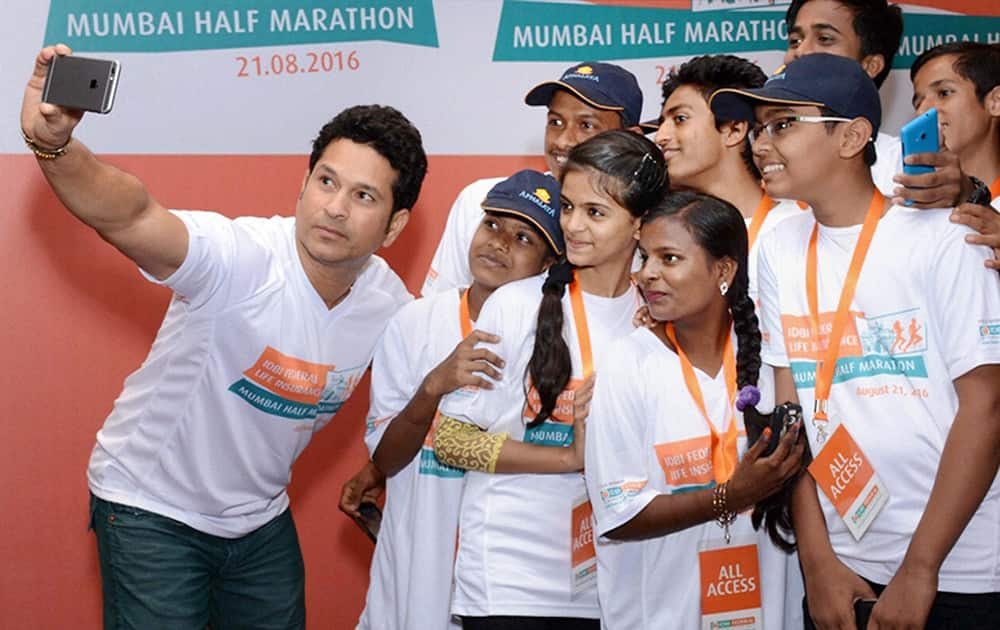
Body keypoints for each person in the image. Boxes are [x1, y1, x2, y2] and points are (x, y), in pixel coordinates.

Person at [20, 45, 426, 629]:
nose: (334, 208)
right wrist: (54, 146)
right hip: (149, 506)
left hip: (256, 520)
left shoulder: (391, 307)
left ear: (394, 225)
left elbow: (434, 381)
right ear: (305, 183)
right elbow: (131, 216)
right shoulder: (241, 259)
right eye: (326, 181)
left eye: (363, 196)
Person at [713, 52, 1000, 629]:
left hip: (957, 567)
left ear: (852, 136)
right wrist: (818, 563)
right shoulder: (778, 245)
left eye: (783, 125)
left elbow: (987, 405)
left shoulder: (945, 233)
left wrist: (920, 569)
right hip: (843, 567)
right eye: (760, 127)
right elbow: (790, 414)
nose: (762, 144)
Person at [432, 130, 668, 628]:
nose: (573, 226)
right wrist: (568, 458)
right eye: (567, 207)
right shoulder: (515, 304)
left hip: (612, 583)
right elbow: (452, 439)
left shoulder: (658, 314)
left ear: (640, 224)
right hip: (509, 579)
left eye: (595, 213)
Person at [343, 171, 563, 630]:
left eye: (523, 237)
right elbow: (386, 457)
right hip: (415, 564)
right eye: (492, 225)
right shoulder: (415, 322)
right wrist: (433, 387)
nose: (499, 243)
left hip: (503, 576)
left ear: (547, 264)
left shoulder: (558, 341)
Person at [585, 190, 806, 629]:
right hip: (657, 614)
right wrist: (730, 497)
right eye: (644, 257)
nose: (647, 274)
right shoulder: (628, 360)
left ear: (723, 270)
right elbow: (619, 514)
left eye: (669, 259)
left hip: (768, 610)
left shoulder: (772, 360)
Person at [421, 61, 643, 296]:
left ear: (630, 138)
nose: (563, 141)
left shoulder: (642, 226)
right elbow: (439, 316)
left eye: (586, 125)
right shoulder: (481, 199)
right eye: (556, 122)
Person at [782, 0, 980, 209]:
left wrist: (967, 194)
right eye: (795, 40)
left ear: (870, 65)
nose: (801, 51)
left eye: (824, 39)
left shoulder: (908, 167)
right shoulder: (760, 156)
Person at [651, 54, 803, 303]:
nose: (661, 137)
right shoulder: (663, 235)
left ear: (734, 130)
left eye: (680, 119)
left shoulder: (796, 227)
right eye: (662, 122)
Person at [910, 41, 1000, 269]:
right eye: (917, 101)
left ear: (996, 102)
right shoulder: (908, 204)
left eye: (943, 93)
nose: (923, 111)